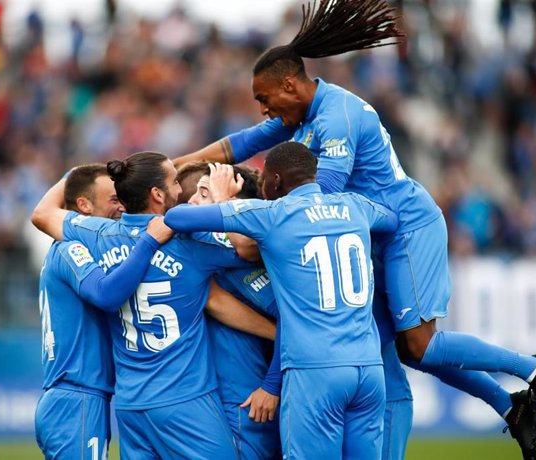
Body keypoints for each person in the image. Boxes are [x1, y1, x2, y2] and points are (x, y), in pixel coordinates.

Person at [173, 1, 536, 457]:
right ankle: (507, 403)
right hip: (370, 231)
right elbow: (239, 143)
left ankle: (532, 368)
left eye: (264, 99)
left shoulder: (337, 116)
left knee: (418, 344)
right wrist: (178, 164)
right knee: (391, 347)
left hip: (405, 226)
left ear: (288, 84)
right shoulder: (300, 116)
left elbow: (322, 200)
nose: (262, 110)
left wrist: (253, 226)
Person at [167, 142, 397, 459]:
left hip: (315, 370)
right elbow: (392, 220)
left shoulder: (274, 215)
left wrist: (221, 198)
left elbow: (177, 218)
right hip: (369, 369)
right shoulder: (355, 206)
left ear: (275, 180)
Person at [48, 151, 266, 459]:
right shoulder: (189, 241)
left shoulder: (97, 234)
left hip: (130, 405)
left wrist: (72, 171)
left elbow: (43, 215)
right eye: (176, 182)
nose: (182, 192)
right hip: (184, 400)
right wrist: (221, 198)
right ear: (157, 194)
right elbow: (249, 249)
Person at [31, 164, 173, 459]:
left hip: (81, 398)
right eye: (113, 199)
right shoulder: (69, 247)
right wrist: (148, 242)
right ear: (83, 205)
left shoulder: (84, 250)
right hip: (76, 398)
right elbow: (105, 294)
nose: (122, 206)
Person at [185, 164, 283, 459]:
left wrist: (272, 386)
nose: (191, 202)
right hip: (211, 397)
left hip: (246, 396)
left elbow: (294, 323)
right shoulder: (208, 254)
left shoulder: (251, 262)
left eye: (204, 194)